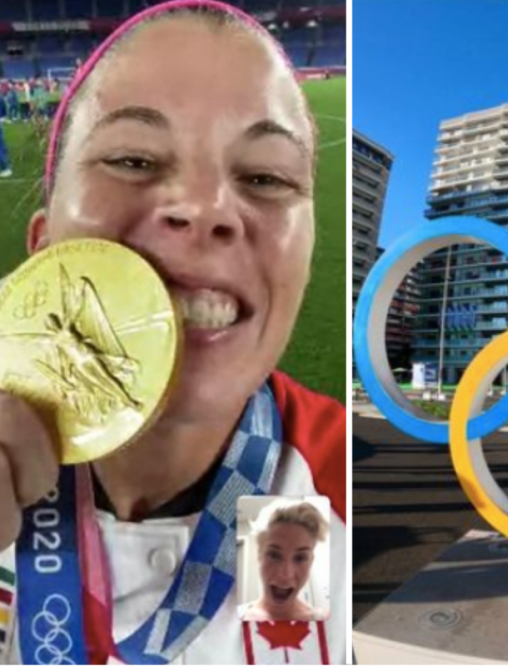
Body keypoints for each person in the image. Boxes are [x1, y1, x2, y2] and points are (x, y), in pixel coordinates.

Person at [0, 2, 346, 664]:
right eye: (132, 159)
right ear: (42, 247)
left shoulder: (341, 483)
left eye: (266, 177)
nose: (207, 208)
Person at [241, 500, 330, 622]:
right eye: (274, 555)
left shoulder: (325, 622)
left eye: (300, 558)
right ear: (259, 556)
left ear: (311, 562)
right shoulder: (228, 622)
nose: (286, 573)